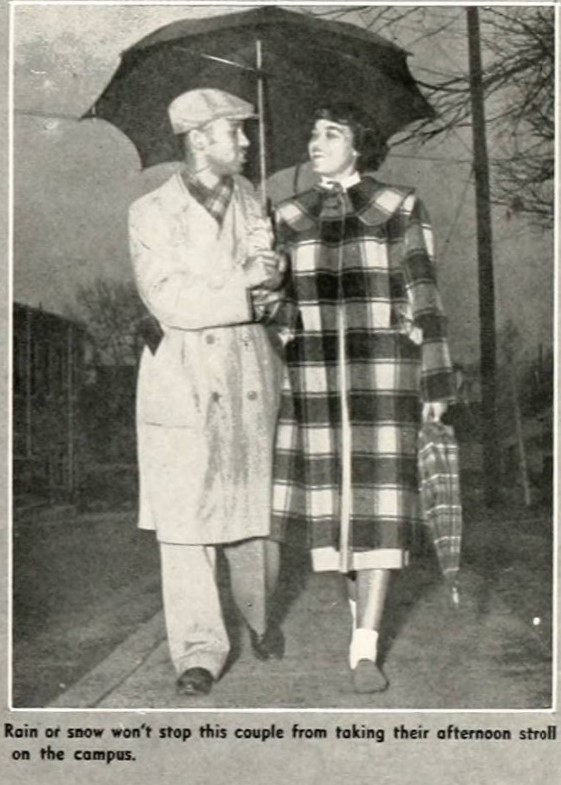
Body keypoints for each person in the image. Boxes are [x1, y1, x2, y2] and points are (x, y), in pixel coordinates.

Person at [271, 103, 456, 694]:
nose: (316, 140)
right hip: (315, 382)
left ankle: (365, 647)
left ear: (361, 144)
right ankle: (361, 619)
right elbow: (277, 313)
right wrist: (261, 276)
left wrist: (435, 380)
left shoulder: (398, 206)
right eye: (313, 131)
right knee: (336, 520)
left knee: (378, 512)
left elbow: (424, 295)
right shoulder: (288, 216)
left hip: (383, 377)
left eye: (332, 132)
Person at [128, 88, 284, 698]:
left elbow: (266, 300)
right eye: (234, 133)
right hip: (184, 378)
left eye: (245, 133)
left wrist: (274, 283)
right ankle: (198, 650)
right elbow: (168, 298)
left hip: (247, 371)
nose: (245, 143)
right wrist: (245, 282)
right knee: (187, 523)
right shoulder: (150, 212)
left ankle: (260, 620)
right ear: (198, 139)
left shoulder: (253, 200)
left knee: (250, 513)